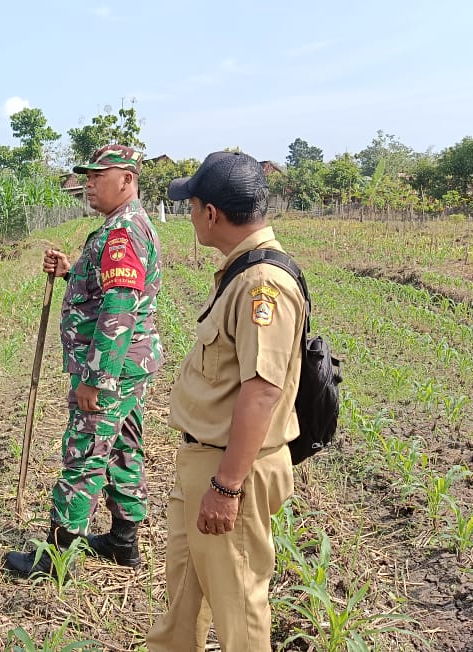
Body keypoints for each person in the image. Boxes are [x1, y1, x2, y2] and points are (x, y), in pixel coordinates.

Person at [146, 152, 306, 651]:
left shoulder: (263, 284)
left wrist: (227, 486)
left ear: (211, 213)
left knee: (239, 609)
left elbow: (262, 391)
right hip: (205, 460)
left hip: (231, 469)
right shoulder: (242, 272)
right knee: (184, 596)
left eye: (192, 206)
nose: (190, 215)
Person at [4, 144, 163, 576]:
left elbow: (119, 308)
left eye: (98, 176)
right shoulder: (125, 225)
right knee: (124, 448)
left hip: (112, 369)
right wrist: (71, 271)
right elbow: (108, 287)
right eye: (87, 177)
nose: (89, 184)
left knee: (86, 455)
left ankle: (56, 559)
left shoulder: (122, 232)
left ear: (127, 179)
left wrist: (96, 379)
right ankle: (123, 542)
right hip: (130, 367)